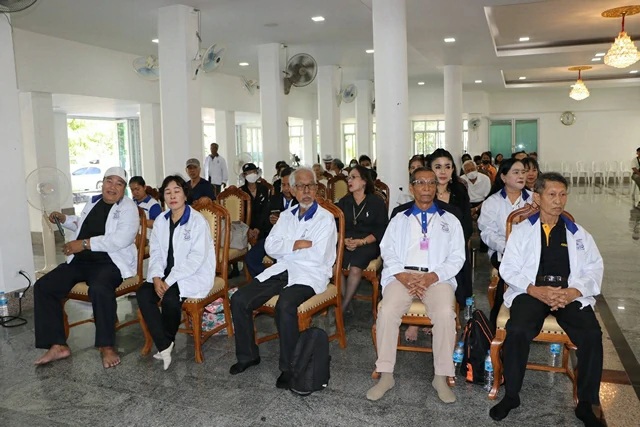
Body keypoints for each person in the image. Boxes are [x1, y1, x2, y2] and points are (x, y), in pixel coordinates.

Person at [490, 173, 604, 427]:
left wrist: (574, 292)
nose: (558, 200)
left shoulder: (578, 233)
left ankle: (586, 404)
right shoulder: (522, 231)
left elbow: (594, 269)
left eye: (563, 195)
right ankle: (511, 395)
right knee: (518, 330)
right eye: (552, 195)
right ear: (538, 197)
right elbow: (508, 268)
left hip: (568, 292)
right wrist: (534, 290)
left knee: (591, 335)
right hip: (531, 291)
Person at [229, 167, 338, 389]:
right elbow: (270, 246)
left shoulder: (325, 219)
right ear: (293, 190)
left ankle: (290, 367)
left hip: (310, 274)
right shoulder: (286, 216)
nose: (306, 191)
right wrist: (297, 244)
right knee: (239, 298)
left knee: (285, 305)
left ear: (316, 189)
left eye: (310, 186)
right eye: (300, 186)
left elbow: (318, 255)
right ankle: (248, 356)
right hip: (282, 269)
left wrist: (286, 248)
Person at [366, 167, 465, 403]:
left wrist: (433, 276)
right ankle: (386, 374)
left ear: (437, 188)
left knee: (445, 313)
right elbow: (387, 250)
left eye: (431, 183)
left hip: (437, 277)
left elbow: (457, 257)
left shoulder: (450, 220)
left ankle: (441, 376)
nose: (427, 188)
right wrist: (402, 275)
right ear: (412, 188)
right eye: (421, 183)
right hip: (402, 276)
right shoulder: (399, 218)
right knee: (387, 311)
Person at [33, 167, 138, 368]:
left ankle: (107, 346)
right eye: (109, 181)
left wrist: (83, 244)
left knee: (99, 288)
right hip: (81, 261)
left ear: (124, 188)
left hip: (110, 262)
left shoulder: (128, 208)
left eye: (119, 183)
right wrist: (66, 220)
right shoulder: (93, 202)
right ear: (102, 183)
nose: (112, 187)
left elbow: (121, 239)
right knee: (44, 286)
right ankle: (57, 345)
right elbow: (83, 224)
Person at [136, 175, 216, 370]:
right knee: (143, 293)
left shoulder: (197, 221)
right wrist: (156, 277)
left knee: (171, 298)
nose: (172, 196)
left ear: (185, 195)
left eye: (177, 191)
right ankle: (165, 344)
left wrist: (168, 280)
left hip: (192, 274)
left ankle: (167, 340)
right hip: (164, 273)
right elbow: (156, 252)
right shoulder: (161, 221)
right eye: (168, 192)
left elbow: (196, 259)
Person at [403, 149, 472, 340]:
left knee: (453, 266)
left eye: (447, 167)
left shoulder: (459, 191)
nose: (443, 171)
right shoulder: (423, 192)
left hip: (449, 252)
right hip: (422, 252)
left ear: (453, 170)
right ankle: (415, 322)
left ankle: (439, 318)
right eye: (438, 167)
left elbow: (466, 226)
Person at [478, 158, 533, 329]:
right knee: (508, 272)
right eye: (516, 172)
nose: (521, 176)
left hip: (530, 252)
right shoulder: (492, 202)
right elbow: (487, 232)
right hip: (502, 252)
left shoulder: (534, 200)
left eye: (523, 172)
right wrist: (507, 247)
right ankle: (498, 322)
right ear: (503, 177)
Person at [336, 165, 388, 316]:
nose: (349, 180)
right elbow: (335, 226)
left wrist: (362, 242)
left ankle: (343, 307)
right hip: (346, 242)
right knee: (335, 266)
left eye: (353, 177)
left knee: (355, 268)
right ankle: (348, 301)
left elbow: (382, 229)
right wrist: (344, 240)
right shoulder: (344, 202)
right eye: (348, 178)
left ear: (364, 181)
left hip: (368, 243)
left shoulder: (376, 202)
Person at [245, 167, 297, 278]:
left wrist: (282, 223)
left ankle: (274, 281)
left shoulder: (300, 201)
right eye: (283, 185)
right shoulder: (274, 199)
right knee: (250, 258)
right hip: (272, 238)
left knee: (280, 262)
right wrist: (269, 221)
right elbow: (264, 221)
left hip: (291, 241)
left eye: (289, 185)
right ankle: (265, 279)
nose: (286, 189)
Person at [240, 163, 271, 244]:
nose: (251, 174)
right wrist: (248, 229)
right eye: (248, 173)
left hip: (262, 226)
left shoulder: (264, 189)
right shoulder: (240, 192)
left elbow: (266, 210)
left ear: (257, 173)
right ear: (244, 175)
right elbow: (240, 213)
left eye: (253, 172)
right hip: (246, 227)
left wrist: (258, 228)